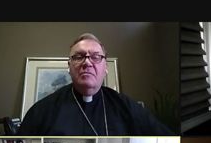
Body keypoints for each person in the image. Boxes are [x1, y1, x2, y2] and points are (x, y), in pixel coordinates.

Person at [17, 33, 173, 135]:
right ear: (69, 66)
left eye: (96, 57)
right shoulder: (42, 111)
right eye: (79, 57)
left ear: (105, 67)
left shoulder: (127, 107)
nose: (87, 62)